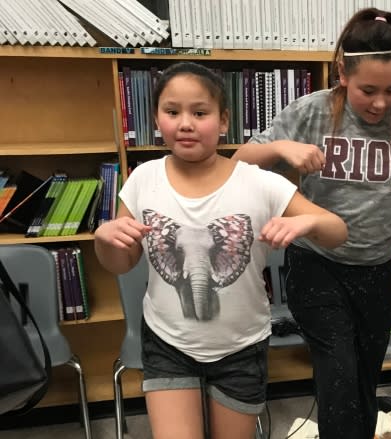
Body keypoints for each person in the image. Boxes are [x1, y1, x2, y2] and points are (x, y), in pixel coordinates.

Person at [232, 7, 391, 438]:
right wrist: (284, 149)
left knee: (364, 380)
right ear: (342, 73)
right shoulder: (312, 112)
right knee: (339, 377)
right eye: (368, 90)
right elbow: (237, 162)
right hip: (316, 266)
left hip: (376, 272)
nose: (381, 103)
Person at [94, 61, 347, 439]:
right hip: (168, 343)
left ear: (223, 120)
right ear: (156, 118)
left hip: (241, 347)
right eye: (172, 111)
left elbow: (338, 231)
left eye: (200, 112)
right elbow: (121, 261)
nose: (185, 123)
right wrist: (104, 238)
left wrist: (307, 223)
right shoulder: (143, 178)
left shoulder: (260, 183)